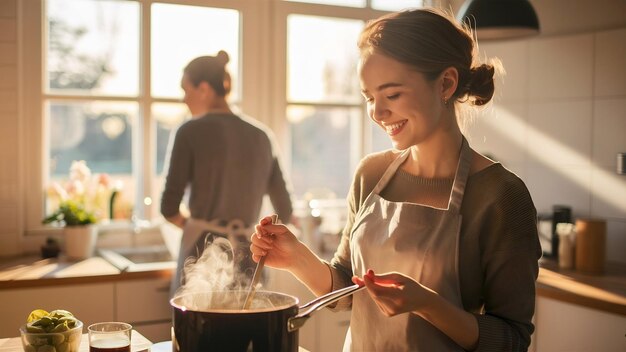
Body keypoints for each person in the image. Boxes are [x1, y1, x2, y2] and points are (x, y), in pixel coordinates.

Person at [251, 8, 541, 351]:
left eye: (392, 94)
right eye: (370, 98)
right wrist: (297, 258)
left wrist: (428, 305)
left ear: (445, 84)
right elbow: (347, 290)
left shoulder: (501, 196)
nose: (377, 112)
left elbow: (512, 338)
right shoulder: (370, 175)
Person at [161, 50, 294, 297]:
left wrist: (196, 226)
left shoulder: (189, 132)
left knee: (197, 330)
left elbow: (168, 206)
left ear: (204, 89)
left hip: (200, 256)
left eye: (185, 90)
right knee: (248, 329)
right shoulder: (261, 135)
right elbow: (284, 209)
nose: (184, 99)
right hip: (251, 257)